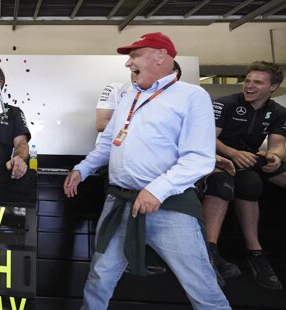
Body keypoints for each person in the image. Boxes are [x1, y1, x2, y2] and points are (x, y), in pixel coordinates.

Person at [63, 32, 230, 309]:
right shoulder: (129, 97)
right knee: (99, 276)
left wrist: (156, 189)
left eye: (134, 56)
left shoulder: (192, 96)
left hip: (168, 207)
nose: (129, 64)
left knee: (201, 285)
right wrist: (82, 169)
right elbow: (108, 142)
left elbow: (199, 159)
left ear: (160, 56)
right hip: (119, 203)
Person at [202, 61, 286, 290]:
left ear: (273, 87)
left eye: (258, 82)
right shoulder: (225, 103)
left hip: (249, 159)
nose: (249, 86)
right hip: (216, 157)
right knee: (228, 182)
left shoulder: (278, 112)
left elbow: (277, 145)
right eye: (247, 80)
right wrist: (231, 153)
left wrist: (275, 157)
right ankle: (210, 251)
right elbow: (206, 139)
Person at [95, 61, 181, 135]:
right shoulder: (115, 88)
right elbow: (101, 124)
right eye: (135, 72)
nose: (136, 76)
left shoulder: (178, 98)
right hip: (110, 146)